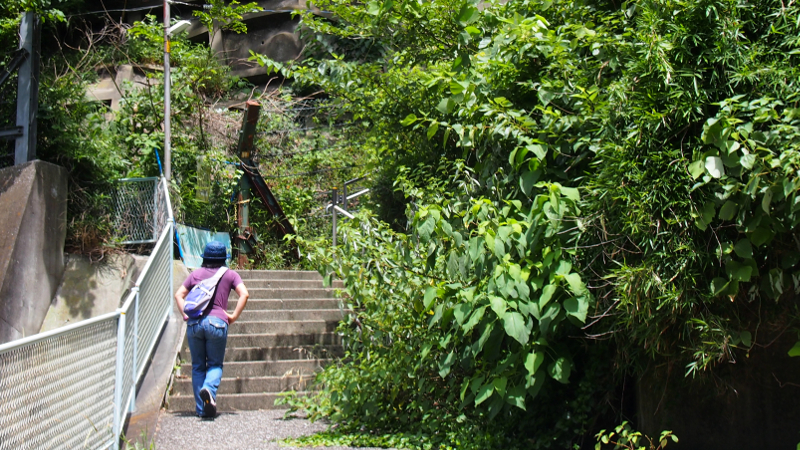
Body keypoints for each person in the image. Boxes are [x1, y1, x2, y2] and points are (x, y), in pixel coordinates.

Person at [174, 241, 249, 418]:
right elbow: (244, 294)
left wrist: (186, 314)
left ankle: (201, 410)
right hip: (217, 322)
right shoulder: (230, 274)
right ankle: (208, 389)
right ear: (224, 258)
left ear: (205, 257)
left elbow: (179, 294)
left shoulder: (196, 274)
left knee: (198, 366)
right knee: (215, 364)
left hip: (195, 324)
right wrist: (233, 316)